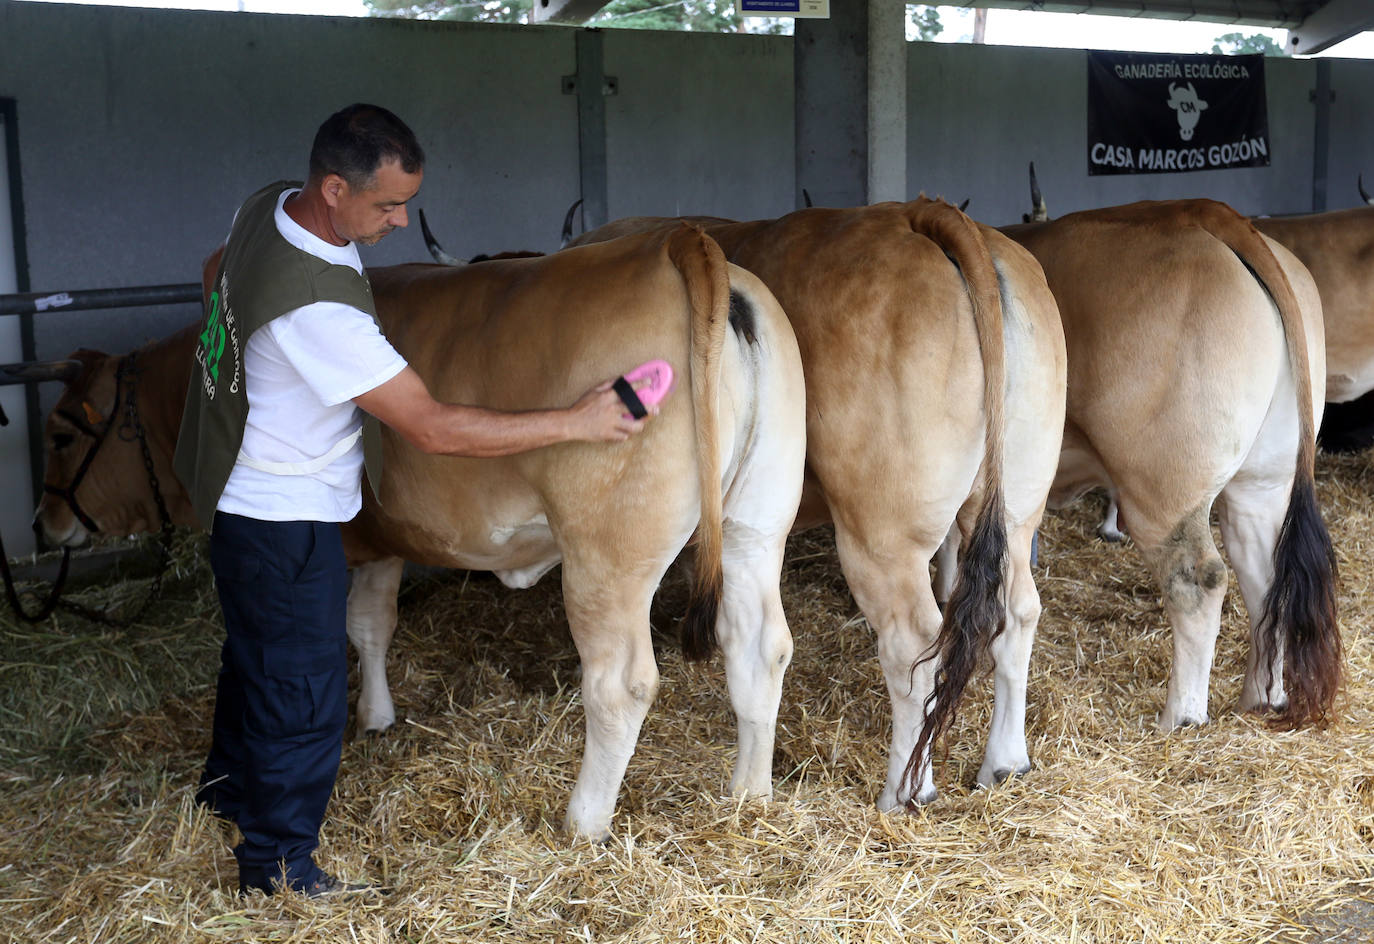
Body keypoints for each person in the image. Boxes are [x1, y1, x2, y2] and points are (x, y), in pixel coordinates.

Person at [173, 103, 659, 898]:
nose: (401, 221)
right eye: (387, 205)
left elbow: (214, 267)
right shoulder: (317, 308)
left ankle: (224, 791)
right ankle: (278, 867)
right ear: (334, 188)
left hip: (236, 493)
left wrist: (240, 370)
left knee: (255, 654)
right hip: (284, 512)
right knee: (304, 689)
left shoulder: (267, 206)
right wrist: (579, 419)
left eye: (405, 201)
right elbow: (430, 427)